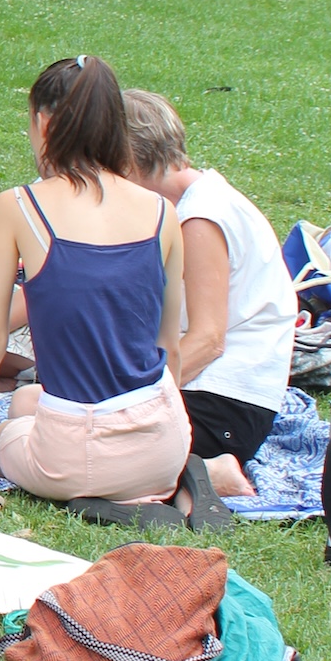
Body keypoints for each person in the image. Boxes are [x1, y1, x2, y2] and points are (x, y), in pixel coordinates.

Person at [0, 58, 196, 518]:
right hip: (165, 444)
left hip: (78, 453)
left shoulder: (18, 207)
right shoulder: (163, 212)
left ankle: (102, 483)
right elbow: (168, 346)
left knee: (4, 437)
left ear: (43, 122)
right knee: (25, 399)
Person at [123, 90, 294, 499]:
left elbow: (208, 340)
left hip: (224, 404)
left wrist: (129, 396)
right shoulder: (191, 203)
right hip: (208, 392)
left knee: (73, 443)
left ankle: (208, 469)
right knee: (40, 411)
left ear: (126, 163)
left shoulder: (201, 218)